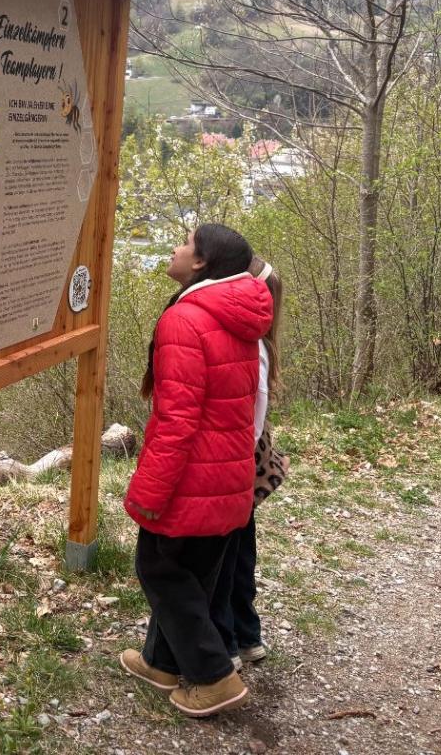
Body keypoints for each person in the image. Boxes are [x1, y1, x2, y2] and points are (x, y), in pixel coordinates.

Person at [120, 224, 274, 718]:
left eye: (185, 242)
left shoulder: (185, 319)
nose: (175, 247)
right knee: (194, 576)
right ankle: (161, 664)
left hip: (192, 481)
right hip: (228, 477)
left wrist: (148, 493)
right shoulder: (240, 316)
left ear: (202, 261)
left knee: (160, 569)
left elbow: (176, 420)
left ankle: (214, 678)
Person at [209, 257, 289, 671]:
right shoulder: (261, 341)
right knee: (240, 554)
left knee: (225, 559)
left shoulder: (249, 345)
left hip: (238, 466)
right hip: (249, 466)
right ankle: (246, 633)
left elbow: (251, 418)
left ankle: (226, 641)